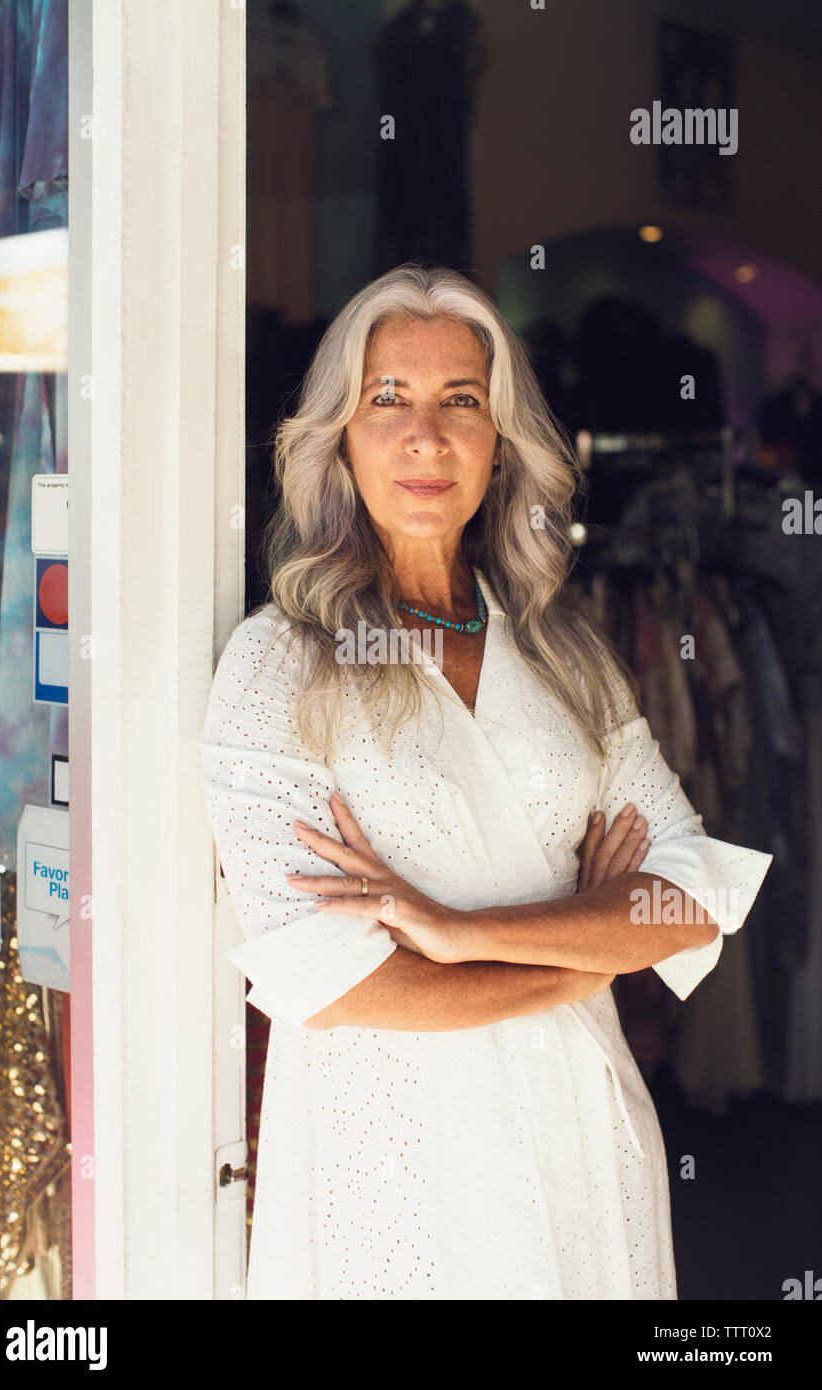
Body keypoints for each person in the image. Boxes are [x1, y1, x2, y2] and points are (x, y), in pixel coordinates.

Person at [199, 264, 772, 1300]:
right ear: (338, 436)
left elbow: (688, 901)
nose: (426, 437)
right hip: (396, 1168)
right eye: (388, 400)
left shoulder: (568, 662)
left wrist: (457, 930)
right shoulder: (278, 665)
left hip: (583, 1141)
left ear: (499, 442)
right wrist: (583, 952)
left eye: (460, 401)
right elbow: (326, 982)